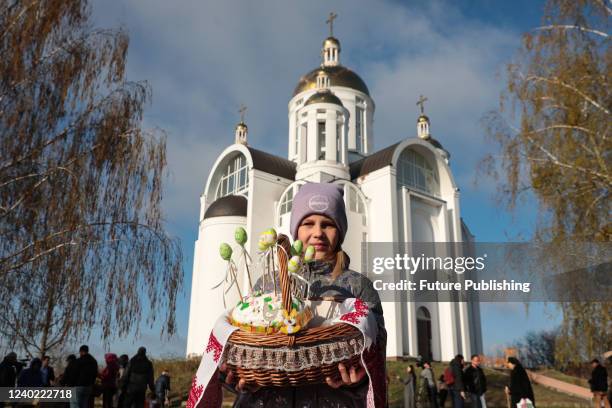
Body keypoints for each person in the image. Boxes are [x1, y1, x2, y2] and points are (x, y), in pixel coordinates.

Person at [221, 182, 387, 407]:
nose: (318, 233)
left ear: (340, 231)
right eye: (308, 223)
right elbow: (245, 349)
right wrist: (240, 380)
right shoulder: (268, 284)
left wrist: (358, 381)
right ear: (295, 230)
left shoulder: (357, 287)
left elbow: (377, 362)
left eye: (328, 224)